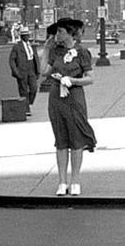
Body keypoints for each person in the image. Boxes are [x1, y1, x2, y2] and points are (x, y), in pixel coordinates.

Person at [42, 17, 96, 196]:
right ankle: (62, 181)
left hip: (74, 96)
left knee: (76, 139)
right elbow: (44, 72)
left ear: (70, 34)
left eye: (60, 32)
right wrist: (46, 48)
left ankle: (75, 180)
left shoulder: (82, 52)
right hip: (57, 96)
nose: (57, 35)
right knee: (61, 140)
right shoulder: (55, 51)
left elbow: (90, 78)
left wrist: (73, 80)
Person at [9, 26, 40, 116]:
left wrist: (37, 71)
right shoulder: (17, 47)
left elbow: (36, 58)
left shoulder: (31, 45)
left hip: (31, 70)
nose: (27, 37)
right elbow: (11, 60)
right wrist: (16, 72)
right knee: (23, 91)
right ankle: (26, 108)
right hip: (22, 71)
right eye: (25, 35)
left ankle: (28, 102)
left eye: (27, 35)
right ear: (22, 36)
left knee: (34, 88)